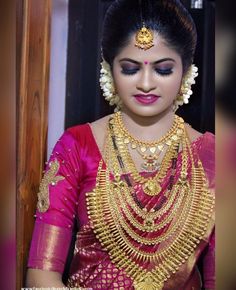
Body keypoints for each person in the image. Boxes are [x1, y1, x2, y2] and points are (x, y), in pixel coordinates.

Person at [26, 0, 215, 289]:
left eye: (163, 70)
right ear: (110, 68)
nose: (146, 83)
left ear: (186, 71)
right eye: (130, 69)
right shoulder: (77, 147)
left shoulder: (214, 157)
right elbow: (41, 276)